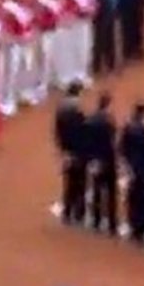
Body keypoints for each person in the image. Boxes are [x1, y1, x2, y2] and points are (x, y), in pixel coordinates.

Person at [0, 0, 39, 108]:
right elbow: (5, 28)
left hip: (26, 41)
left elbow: (31, 20)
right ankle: (8, 100)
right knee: (12, 72)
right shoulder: (7, 6)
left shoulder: (24, 4)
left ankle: (25, 95)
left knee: (28, 69)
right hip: (15, 45)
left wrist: (31, 35)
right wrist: (14, 39)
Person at [54, 83, 88, 226]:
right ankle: (78, 214)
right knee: (79, 183)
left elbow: (58, 134)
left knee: (69, 183)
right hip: (78, 153)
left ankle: (67, 213)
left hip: (67, 152)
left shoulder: (60, 111)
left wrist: (64, 151)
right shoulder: (76, 113)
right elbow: (81, 134)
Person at [86, 92, 119, 236]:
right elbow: (112, 140)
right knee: (111, 192)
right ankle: (112, 223)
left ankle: (96, 221)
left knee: (97, 189)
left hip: (96, 159)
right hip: (108, 160)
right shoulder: (109, 121)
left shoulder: (91, 120)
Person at [60, 0, 96, 90]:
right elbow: (64, 8)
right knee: (74, 49)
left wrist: (92, 9)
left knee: (86, 48)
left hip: (85, 23)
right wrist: (76, 13)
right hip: (74, 25)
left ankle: (82, 74)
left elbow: (91, 0)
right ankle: (72, 77)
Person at [120, 102, 144, 245]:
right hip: (142, 169)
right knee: (142, 199)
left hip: (131, 167)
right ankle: (141, 229)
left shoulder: (128, 128)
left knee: (132, 197)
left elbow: (122, 148)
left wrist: (126, 165)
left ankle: (133, 226)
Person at [35, 0, 65, 101]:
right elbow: (40, 17)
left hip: (55, 30)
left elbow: (58, 12)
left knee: (57, 56)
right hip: (46, 33)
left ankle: (56, 80)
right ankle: (43, 87)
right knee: (46, 59)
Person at [90, 0, 119, 78]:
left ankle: (111, 65)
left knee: (110, 39)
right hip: (101, 15)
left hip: (111, 11)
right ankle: (97, 67)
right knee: (100, 41)